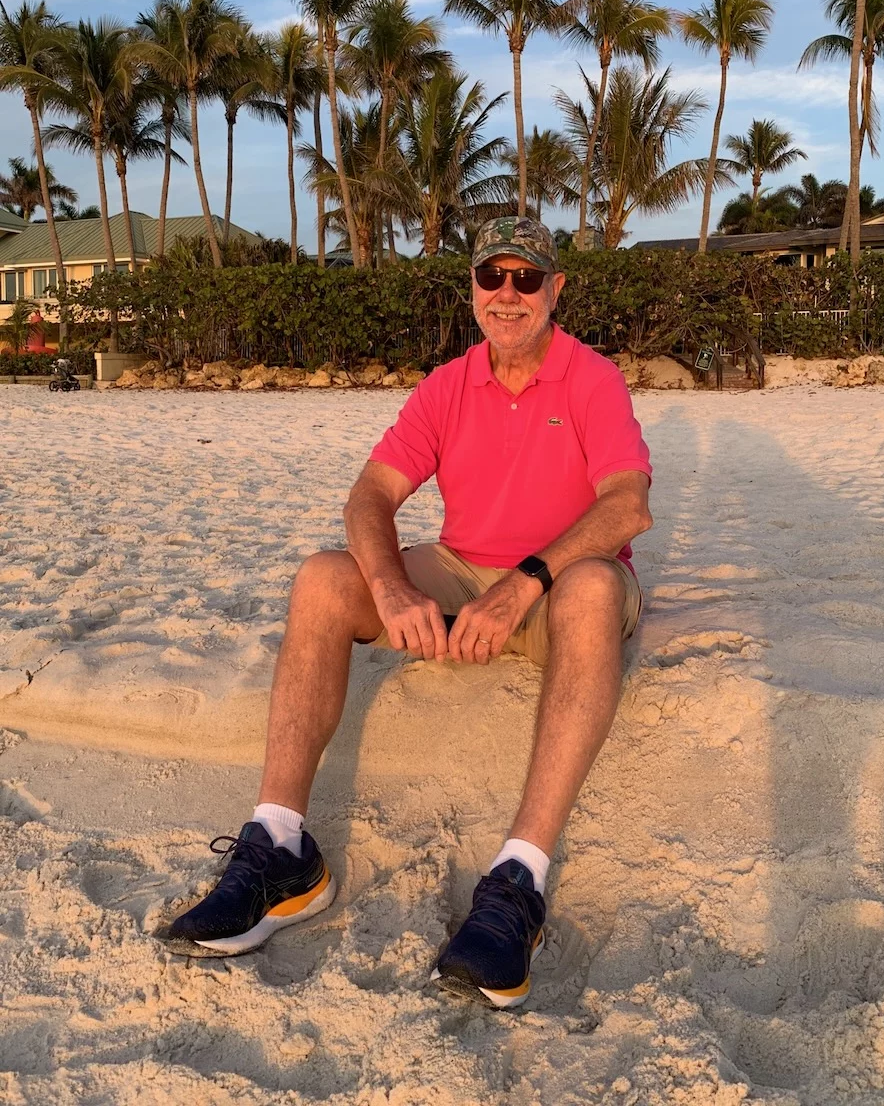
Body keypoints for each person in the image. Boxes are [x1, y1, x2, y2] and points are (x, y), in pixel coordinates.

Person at [167, 216, 653, 1008]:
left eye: (526, 278)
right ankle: (282, 848)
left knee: (595, 588)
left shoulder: (591, 378)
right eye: (491, 276)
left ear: (555, 289)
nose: (507, 294)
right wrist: (390, 587)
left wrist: (525, 582)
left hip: (563, 582)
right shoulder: (447, 385)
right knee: (324, 578)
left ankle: (519, 880)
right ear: (471, 288)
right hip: (462, 569)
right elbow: (370, 495)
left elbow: (627, 506)